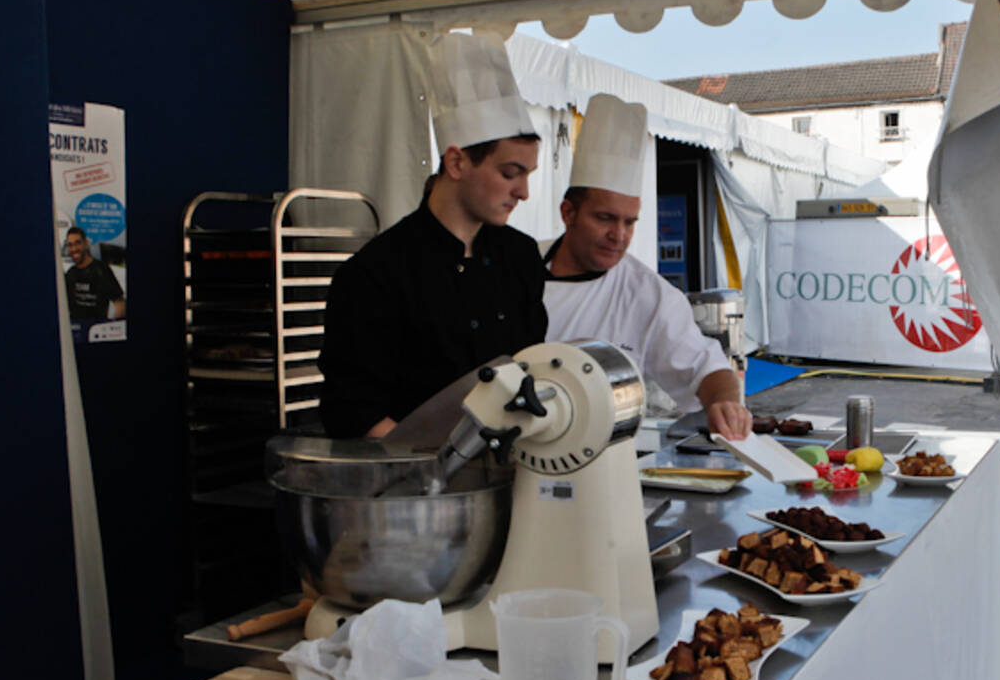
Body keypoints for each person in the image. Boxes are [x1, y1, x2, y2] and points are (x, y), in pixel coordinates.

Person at [320, 34, 548, 439]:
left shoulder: (521, 256)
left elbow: (535, 370)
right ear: (456, 162)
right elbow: (354, 409)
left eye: (528, 175)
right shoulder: (375, 273)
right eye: (510, 174)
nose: (523, 192)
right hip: (418, 474)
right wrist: (442, 465)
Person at [540, 93, 751, 440]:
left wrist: (725, 403)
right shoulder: (516, 268)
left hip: (605, 458)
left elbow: (707, 367)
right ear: (568, 213)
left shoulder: (647, 294)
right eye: (604, 218)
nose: (618, 235)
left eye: (629, 222)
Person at [64, 226, 126, 321]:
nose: (74, 248)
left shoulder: (101, 269)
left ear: (86, 244)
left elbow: (119, 303)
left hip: (96, 327)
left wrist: (110, 326)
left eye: (78, 243)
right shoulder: (70, 274)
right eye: (70, 245)